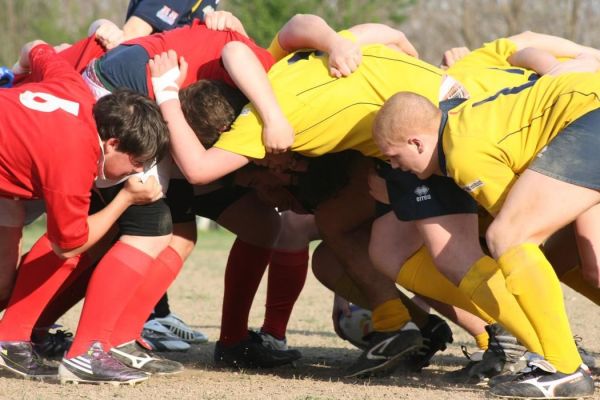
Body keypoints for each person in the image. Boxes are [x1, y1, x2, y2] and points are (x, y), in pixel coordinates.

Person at [371, 70, 600, 398]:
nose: (393, 167)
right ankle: (561, 361)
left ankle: (563, 367)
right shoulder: (464, 122)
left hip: (590, 115)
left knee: (509, 237)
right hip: (587, 113)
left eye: (392, 156)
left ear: (416, 142)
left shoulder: (462, 150)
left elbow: (519, 235)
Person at [0, 40, 167, 383]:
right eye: (135, 163)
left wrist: (15, 73)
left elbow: (36, 48)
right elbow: (68, 244)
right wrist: (125, 200)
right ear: (113, 143)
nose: (135, 173)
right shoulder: (75, 157)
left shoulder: (75, 88)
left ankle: (9, 341)